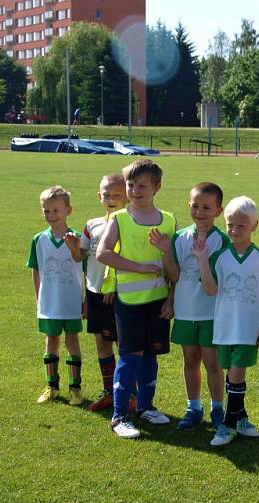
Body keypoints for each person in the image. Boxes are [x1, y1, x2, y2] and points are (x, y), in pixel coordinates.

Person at [96, 158, 177, 439]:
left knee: (151, 355)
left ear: (157, 187)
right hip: (129, 302)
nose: (134, 190)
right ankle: (120, 416)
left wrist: (171, 299)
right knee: (131, 357)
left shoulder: (168, 220)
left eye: (142, 185)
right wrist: (140, 267)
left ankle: (145, 406)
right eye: (131, 184)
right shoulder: (120, 219)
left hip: (157, 302)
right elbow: (103, 253)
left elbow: (173, 268)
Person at [194, 196, 259, 446]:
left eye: (241, 226)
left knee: (236, 373)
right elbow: (211, 290)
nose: (234, 230)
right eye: (230, 225)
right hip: (224, 327)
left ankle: (228, 425)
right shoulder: (219, 256)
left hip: (249, 329)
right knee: (231, 374)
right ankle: (241, 418)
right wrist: (202, 258)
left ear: (254, 226)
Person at [168, 183, 231, 431]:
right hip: (185, 310)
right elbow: (174, 275)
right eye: (195, 206)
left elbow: (215, 284)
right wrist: (170, 300)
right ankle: (193, 407)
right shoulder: (180, 238)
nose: (200, 212)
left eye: (206, 207)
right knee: (190, 359)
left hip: (211, 312)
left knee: (212, 361)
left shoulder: (222, 242)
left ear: (218, 210)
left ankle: (217, 407)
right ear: (188, 205)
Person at [75, 173, 128, 411]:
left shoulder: (128, 223)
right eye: (107, 194)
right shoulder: (91, 224)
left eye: (117, 194)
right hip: (96, 293)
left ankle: (129, 394)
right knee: (101, 344)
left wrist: (115, 286)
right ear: (99, 196)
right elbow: (82, 258)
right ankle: (109, 392)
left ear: (126, 196)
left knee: (124, 346)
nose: (111, 199)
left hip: (118, 294)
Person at [28, 186, 85, 406]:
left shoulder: (78, 237)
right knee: (51, 341)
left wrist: (86, 301)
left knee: (72, 341)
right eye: (46, 211)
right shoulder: (38, 239)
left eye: (56, 211)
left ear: (68, 210)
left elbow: (84, 267)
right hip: (49, 303)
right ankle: (52, 386)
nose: (51, 216)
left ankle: (75, 389)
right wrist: (38, 299)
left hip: (71, 302)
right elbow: (36, 269)